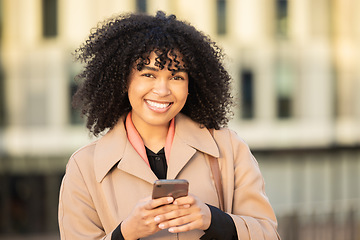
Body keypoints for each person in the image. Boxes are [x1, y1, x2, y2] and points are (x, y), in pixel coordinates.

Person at [58, 11, 280, 240]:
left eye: (176, 77)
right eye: (148, 75)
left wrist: (213, 220)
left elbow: (267, 234)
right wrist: (125, 233)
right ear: (122, 80)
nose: (162, 90)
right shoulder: (84, 168)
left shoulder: (229, 148)